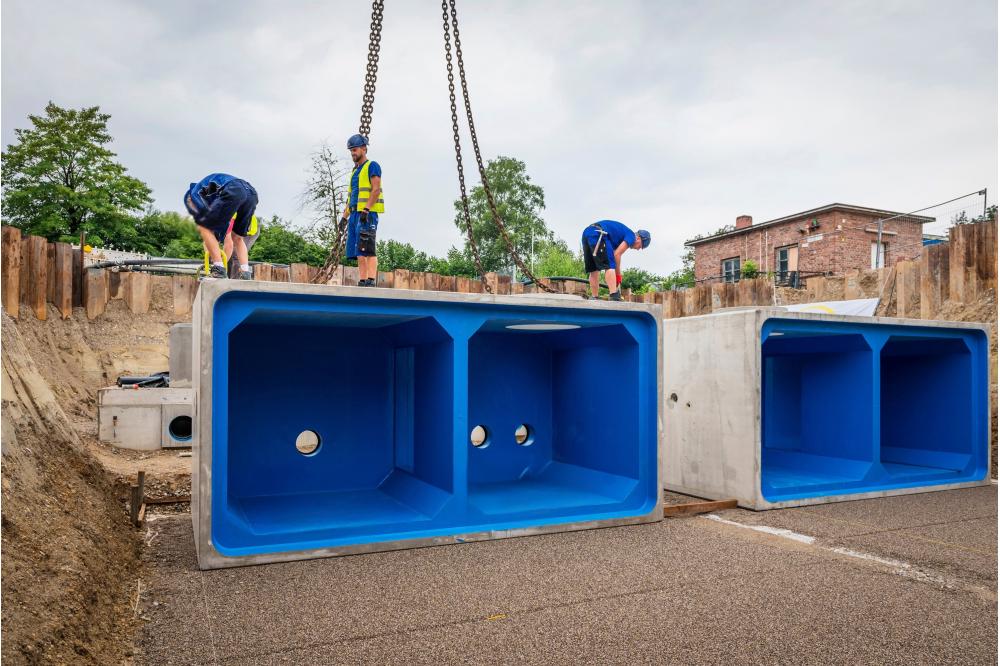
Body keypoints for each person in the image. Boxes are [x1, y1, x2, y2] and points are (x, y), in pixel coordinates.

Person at [184, 174, 259, 279]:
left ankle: (219, 269)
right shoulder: (214, 194)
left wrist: (216, 261)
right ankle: (246, 272)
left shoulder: (194, 195)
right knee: (237, 238)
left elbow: (225, 242)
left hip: (235, 190)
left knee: (204, 228)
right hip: (251, 193)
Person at [340, 134, 383, 286]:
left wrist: (366, 209)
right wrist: (344, 218)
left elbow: (376, 190)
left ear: (364, 149)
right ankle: (363, 279)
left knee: (367, 246)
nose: (353, 153)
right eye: (351, 150)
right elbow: (351, 198)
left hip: (367, 213)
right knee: (358, 250)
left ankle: (371, 279)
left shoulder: (372, 166)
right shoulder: (354, 172)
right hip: (354, 214)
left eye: (355, 149)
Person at [581, 220, 650, 300]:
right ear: (638, 238)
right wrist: (618, 275)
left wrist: (617, 276)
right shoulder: (631, 236)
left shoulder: (619, 236)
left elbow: (613, 253)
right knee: (610, 265)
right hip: (599, 234)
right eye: (640, 246)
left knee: (594, 269)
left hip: (587, 233)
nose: (638, 249)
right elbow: (616, 255)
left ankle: (594, 296)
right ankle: (614, 295)